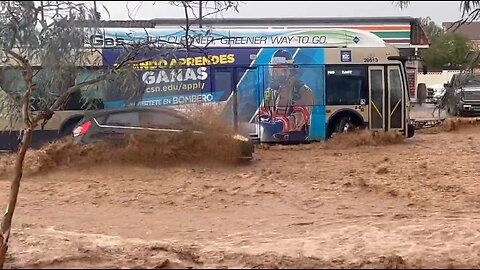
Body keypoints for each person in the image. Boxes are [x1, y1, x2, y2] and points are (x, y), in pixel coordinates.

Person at [257, 49, 314, 142]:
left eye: (278, 69)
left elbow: (301, 116)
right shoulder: (270, 91)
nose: (275, 73)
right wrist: (263, 120)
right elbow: (261, 112)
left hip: (296, 145)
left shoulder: (303, 91)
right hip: (272, 143)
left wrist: (278, 126)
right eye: (273, 69)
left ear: (289, 70)